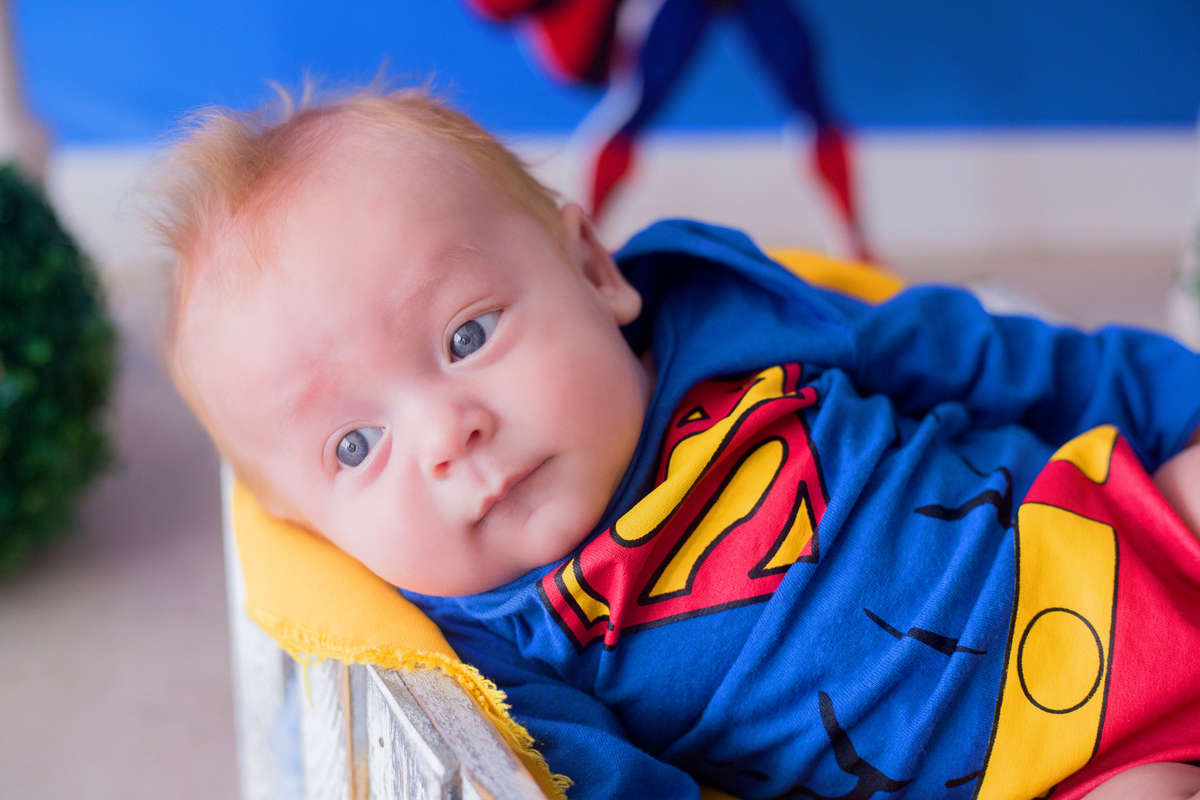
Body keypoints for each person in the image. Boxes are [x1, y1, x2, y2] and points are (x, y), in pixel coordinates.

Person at [156, 83, 1200, 800]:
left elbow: (973, 354)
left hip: (1114, 527)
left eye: (468, 335)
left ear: (592, 271)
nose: (445, 432)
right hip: (1046, 771)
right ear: (310, 522)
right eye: (354, 446)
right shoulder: (497, 653)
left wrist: (1176, 402)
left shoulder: (723, 316)